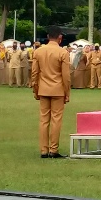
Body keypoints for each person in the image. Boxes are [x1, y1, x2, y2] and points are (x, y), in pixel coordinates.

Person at [31, 26, 71, 158]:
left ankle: (43, 150)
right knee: (56, 120)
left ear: (48, 37)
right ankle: (53, 150)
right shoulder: (63, 52)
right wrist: (67, 92)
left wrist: (35, 90)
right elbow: (66, 76)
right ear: (60, 38)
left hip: (43, 89)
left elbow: (34, 73)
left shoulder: (38, 51)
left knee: (43, 120)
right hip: (58, 90)